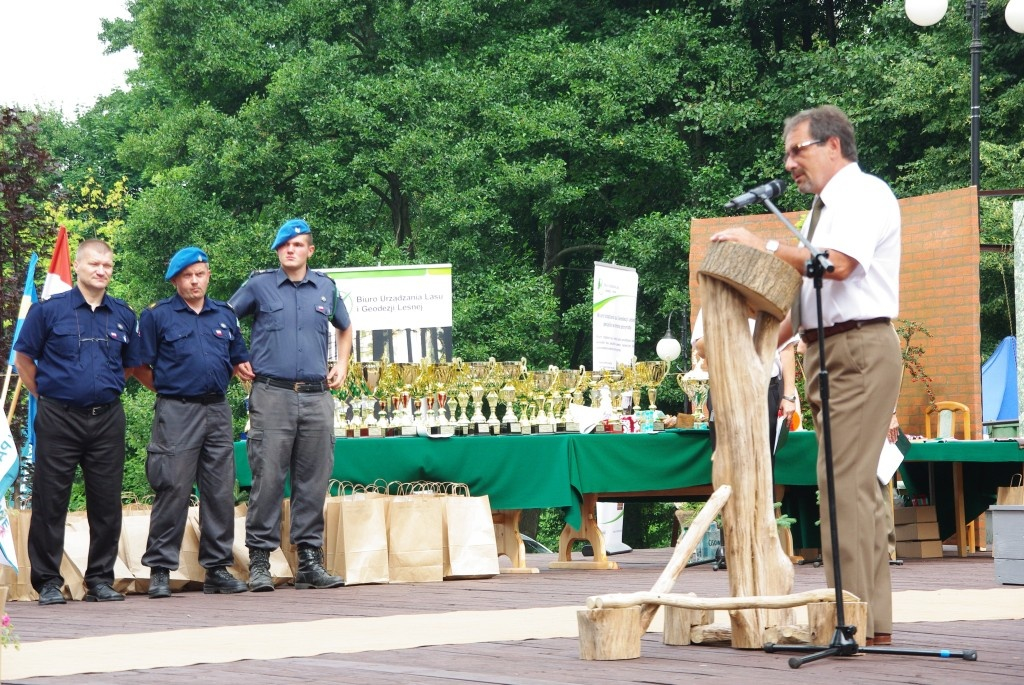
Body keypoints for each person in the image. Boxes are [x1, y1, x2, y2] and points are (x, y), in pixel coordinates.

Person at [710, 105, 901, 647]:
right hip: (828, 348)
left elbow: (835, 266)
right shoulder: (822, 208)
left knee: (842, 487)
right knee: (847, 488)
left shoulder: (863, 195)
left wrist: (763, 244)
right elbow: (808, 300)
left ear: (834, 145)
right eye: (788, 153)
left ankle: (851, 622)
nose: (790, 163)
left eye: (799, 150)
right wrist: (752, 344)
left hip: (858, 347)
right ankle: (865, 621)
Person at [14, 238, 140, 605]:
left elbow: (129, 366)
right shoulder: (48, 312)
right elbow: (24, 360)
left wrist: (100, 390)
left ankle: (99, 580)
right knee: (51, 501)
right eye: (94, 264)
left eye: (108, 266)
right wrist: (50, 395)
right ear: (80, 267)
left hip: (106, 419)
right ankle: (49, 582)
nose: (102, 270)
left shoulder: (123, 314)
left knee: (106, 503)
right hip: (59, 418)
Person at [229, 218, 353, 591]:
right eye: (284, 245)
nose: (290, 250)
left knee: (313, 480)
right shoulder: (259, 285)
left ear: (309, 250)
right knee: (267, 478)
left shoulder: (325, 288)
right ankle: (261, 562)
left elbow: (345, 327)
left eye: (297, 245)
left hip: (317, 396)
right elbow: (222, 319)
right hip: (272, 394)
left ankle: (309, 562)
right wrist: (236, 356)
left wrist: (342, 362)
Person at [132, 247, 250, 598]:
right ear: (175, 280)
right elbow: (139, 365)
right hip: (176, 411)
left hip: (217, 410)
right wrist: (169, 391)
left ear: (208, 274)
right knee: (173, 487)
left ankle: (216, 569)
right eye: (187, 276)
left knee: (219, 491)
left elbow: (237, 361)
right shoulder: (157, 316)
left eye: (200, 273)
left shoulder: (225, 314)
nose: (194, 280)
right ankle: (160, 570)